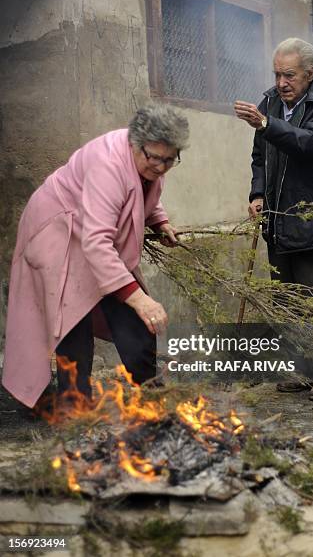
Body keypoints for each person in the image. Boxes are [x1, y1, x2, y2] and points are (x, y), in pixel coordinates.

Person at [2, 104, 189, 408]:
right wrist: (138, 297)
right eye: (155, 158)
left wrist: (160, 220)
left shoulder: (151, 161)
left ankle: (151, 398)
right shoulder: (109, 164)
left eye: (170, 160)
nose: (161, 167)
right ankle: (75, 411)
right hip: (59, 232)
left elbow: (144, 194)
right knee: (73, 320)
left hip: (92, 237)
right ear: (135, 142)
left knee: (137, 322)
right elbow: (97, 243)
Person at [234, 37, 313, 401]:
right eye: (277, 74)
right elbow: (260, 157)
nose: (281, 83)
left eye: (289, 75)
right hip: (279, 222)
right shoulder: (270, 101)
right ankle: (299, 371)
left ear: (310, 74)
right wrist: (257, 194)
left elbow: (310, 144)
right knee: (287, 302)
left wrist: (267, 125)